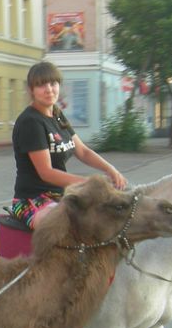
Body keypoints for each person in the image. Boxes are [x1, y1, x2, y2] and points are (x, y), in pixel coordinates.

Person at [10, 61, 127, 230]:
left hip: (60, 195)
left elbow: (83, 151)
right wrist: (88, 183)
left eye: (53, 83)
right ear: (31, 90)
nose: (49, 89)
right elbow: (46, 172)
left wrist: (111, 170)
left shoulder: (57, 114)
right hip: (32, 200)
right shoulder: (31, 122)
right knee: (65, 228)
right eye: (41, 85)